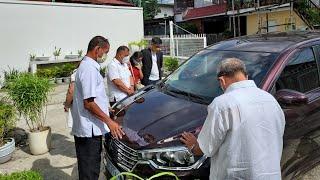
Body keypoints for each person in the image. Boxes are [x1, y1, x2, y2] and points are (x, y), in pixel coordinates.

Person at [180, 58, 285, 179]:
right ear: (246, 76)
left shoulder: (222, 104)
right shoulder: (271, 100)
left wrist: (193, 145)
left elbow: (205, 149)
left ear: (222, 80)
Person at [71, 36, 124, 180]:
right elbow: (88, 103)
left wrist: (106, 108)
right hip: (89, 131)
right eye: (105, 52)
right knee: (90, 172)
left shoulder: (89, 66)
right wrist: (109, 121)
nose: (105, 56)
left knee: (91, 168)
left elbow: (94, 96)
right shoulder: (88, 69)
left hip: (90, 128)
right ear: (97, 49)